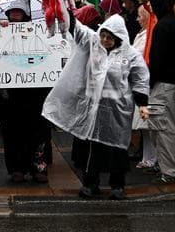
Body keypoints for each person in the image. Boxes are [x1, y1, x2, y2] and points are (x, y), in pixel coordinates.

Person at [42, 14, 150, 200]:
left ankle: (118, 185)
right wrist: (63, 6)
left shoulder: (130, 55)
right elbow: (77, 29)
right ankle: (91, 184)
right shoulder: (94, 46)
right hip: (95, 109)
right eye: (103, 36)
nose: (105, 40)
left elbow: (140, 79)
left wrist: (142, 103)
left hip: (118, 111)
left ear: (118, 38)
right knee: (93, 149)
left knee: (117, 149)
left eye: (110, 38)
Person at [0, 6, 52, 184]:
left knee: (38, 132)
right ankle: (17, 168)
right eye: (11, 12)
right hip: (11, 95)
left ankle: (38, 168)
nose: (14, 15)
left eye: (18, 12)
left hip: (36, 93)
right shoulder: (1, 30)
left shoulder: (38, 30)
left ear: (26, 14)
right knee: (12, 132)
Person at [144, 0, 175, 183]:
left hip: (163, 85)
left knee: (163, 129)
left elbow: (158, 59)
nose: (150, 6)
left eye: (152, 2)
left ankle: (170, 171)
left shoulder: (162, 26)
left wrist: (150, 81)